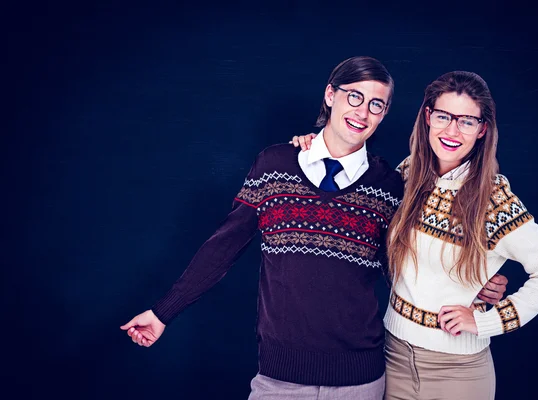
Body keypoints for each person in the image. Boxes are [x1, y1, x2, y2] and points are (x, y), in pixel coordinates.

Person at [121, 57, 506, 400]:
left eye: (377, 105)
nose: (363, 112)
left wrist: (473, 284)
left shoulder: (391, 186)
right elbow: (223, 247)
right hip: (279, 380)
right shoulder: (275, 165)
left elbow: (410, 263)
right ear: (330, 95)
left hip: (362, 379)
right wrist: (163, 313)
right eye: (354, 96)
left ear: (384, 115)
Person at [292, 70, 538, 400]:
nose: (452, 130)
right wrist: (314, 148)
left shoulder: (494, 200)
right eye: (443, 116)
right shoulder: (408, 174)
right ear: (428, 117)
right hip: (392, 357)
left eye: (467, 121)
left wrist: (486, 322)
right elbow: (362, 226)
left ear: (482, 129)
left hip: (458, 372)